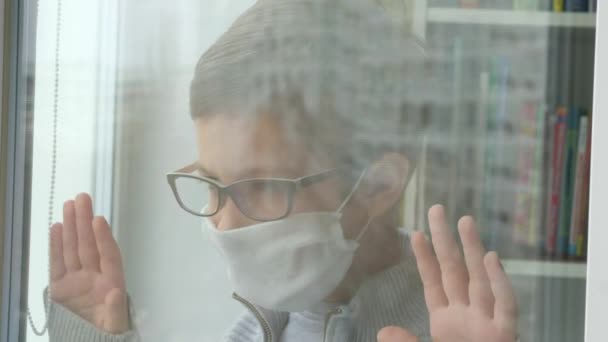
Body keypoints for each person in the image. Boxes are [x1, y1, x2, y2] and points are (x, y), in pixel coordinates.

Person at [44, 0, 519, 341]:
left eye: (263, 186)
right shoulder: (260, 324)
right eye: (211, 184)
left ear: (378, 184)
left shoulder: (466, 327)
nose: (225, 225)